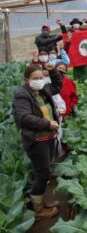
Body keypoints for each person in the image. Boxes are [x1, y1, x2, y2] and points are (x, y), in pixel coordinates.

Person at [12, 63, 62, 219]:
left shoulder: (42, 90)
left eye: (41, 77)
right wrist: (48, 124)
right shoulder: (22, 95)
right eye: (35, 78)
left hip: (47, 137)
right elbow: (24, 118)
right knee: (43, 173)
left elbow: (58, 86)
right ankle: (38, 210)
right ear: (27, 79)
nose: (39, 80)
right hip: (36, 140)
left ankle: (41, 201)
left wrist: (52, 70)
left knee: (44, 172)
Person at [59, 17, 87, 81]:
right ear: (72, 24)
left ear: (79, 24)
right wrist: (61, 25)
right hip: (74, 53)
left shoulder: (82, 31)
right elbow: (64, 34)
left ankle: (85, 81)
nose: (76, 24)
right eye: (74, 23)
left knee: (84, 67)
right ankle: (76, 82)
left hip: (83, 53)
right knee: (76, 67)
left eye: (77, 23)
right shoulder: (70, 31)